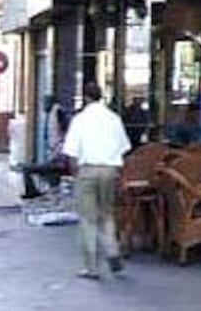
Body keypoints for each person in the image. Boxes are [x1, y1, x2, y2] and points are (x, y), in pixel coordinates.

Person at [62, 84, 131, 280]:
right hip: (110, 171)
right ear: (101, 97)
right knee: (107, 214)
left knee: (88, 219)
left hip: (87, 170)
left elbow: (72, 154)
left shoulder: (80, 120)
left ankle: (91, 267)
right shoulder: (114, 119)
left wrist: (76, 175)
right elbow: (123, 148)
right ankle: (112, 251)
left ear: (85, 98)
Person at [21, 96, 70, 199]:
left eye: (45, 103)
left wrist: (61, 151)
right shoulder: (51, 114)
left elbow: (65, 133)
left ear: (51, 103)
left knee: (27, 169)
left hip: (60, 157)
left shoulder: (58, 113)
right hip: (55, 155)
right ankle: (49, 191)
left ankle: (32, 192)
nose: (43, 106)